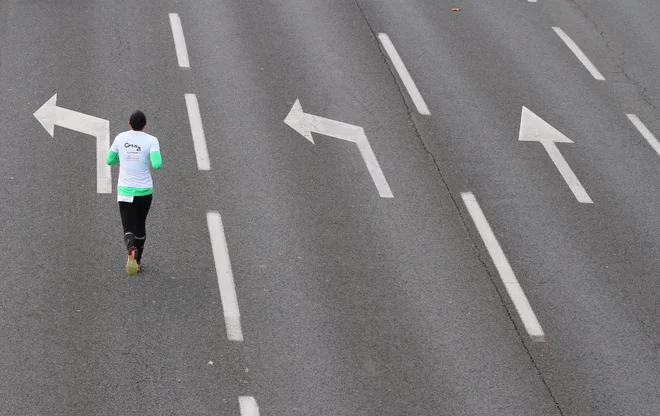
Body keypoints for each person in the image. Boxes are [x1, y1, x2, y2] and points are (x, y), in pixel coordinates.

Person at [106, 110, 162, 275]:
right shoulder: (152, 140)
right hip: (144, 191)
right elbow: (157, 164)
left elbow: (110, 160)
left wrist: (123, 158)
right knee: (140, 225)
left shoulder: (120, 138)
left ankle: (130, 246)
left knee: (128, 226)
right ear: (145, 126)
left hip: (125, 190)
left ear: (129, 124)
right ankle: (137, 262)